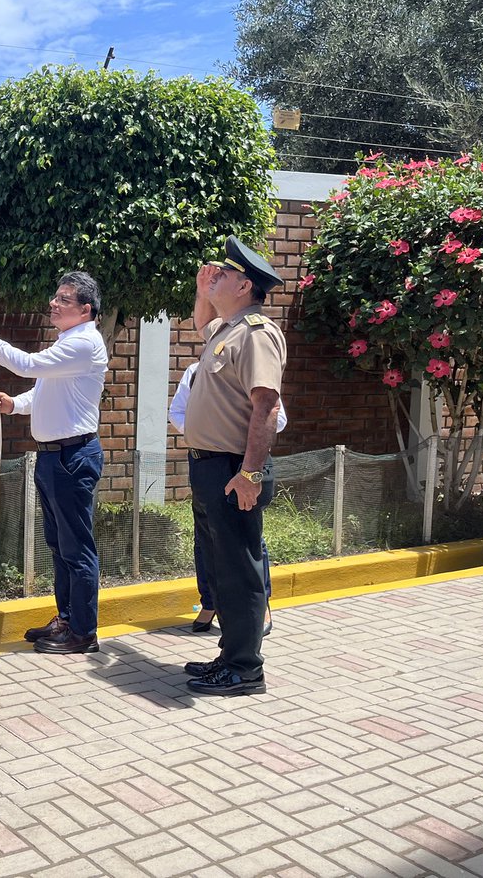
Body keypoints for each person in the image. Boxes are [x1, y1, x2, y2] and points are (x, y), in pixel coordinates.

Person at [0, 271, 108, 655]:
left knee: (76, 547)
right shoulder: (69, 342)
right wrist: (14, 405)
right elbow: (43, 390)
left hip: (72, 456)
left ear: (85, 310)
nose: (54, 303)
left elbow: (28, 365)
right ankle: (67, 619)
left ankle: (83, 632)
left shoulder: (84, 343)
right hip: (54, 458)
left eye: (64, 299)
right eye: (56, 296)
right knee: (60, 545)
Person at [182, 236, 287, 696]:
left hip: (232, 469)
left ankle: (245, 669)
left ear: (244, 285)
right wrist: (203, 288)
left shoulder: (257, 334)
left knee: (240, 567)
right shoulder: (227, 330)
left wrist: (251, 474)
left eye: (222, 274)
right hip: (210, 466)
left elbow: (265, 405)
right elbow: (198, 321)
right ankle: (229, 656)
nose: (214, 276)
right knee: (222, 565)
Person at [169, 362, 286, 635]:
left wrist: (231, 433)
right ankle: (210, 603)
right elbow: (177, 412)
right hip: (205, 461)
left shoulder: (254, 373)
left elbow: (277, 419)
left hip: (243, 461)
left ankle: (260, 605)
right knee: (206, 536)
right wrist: (205, 433)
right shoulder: (196, 371)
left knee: (249, 538)